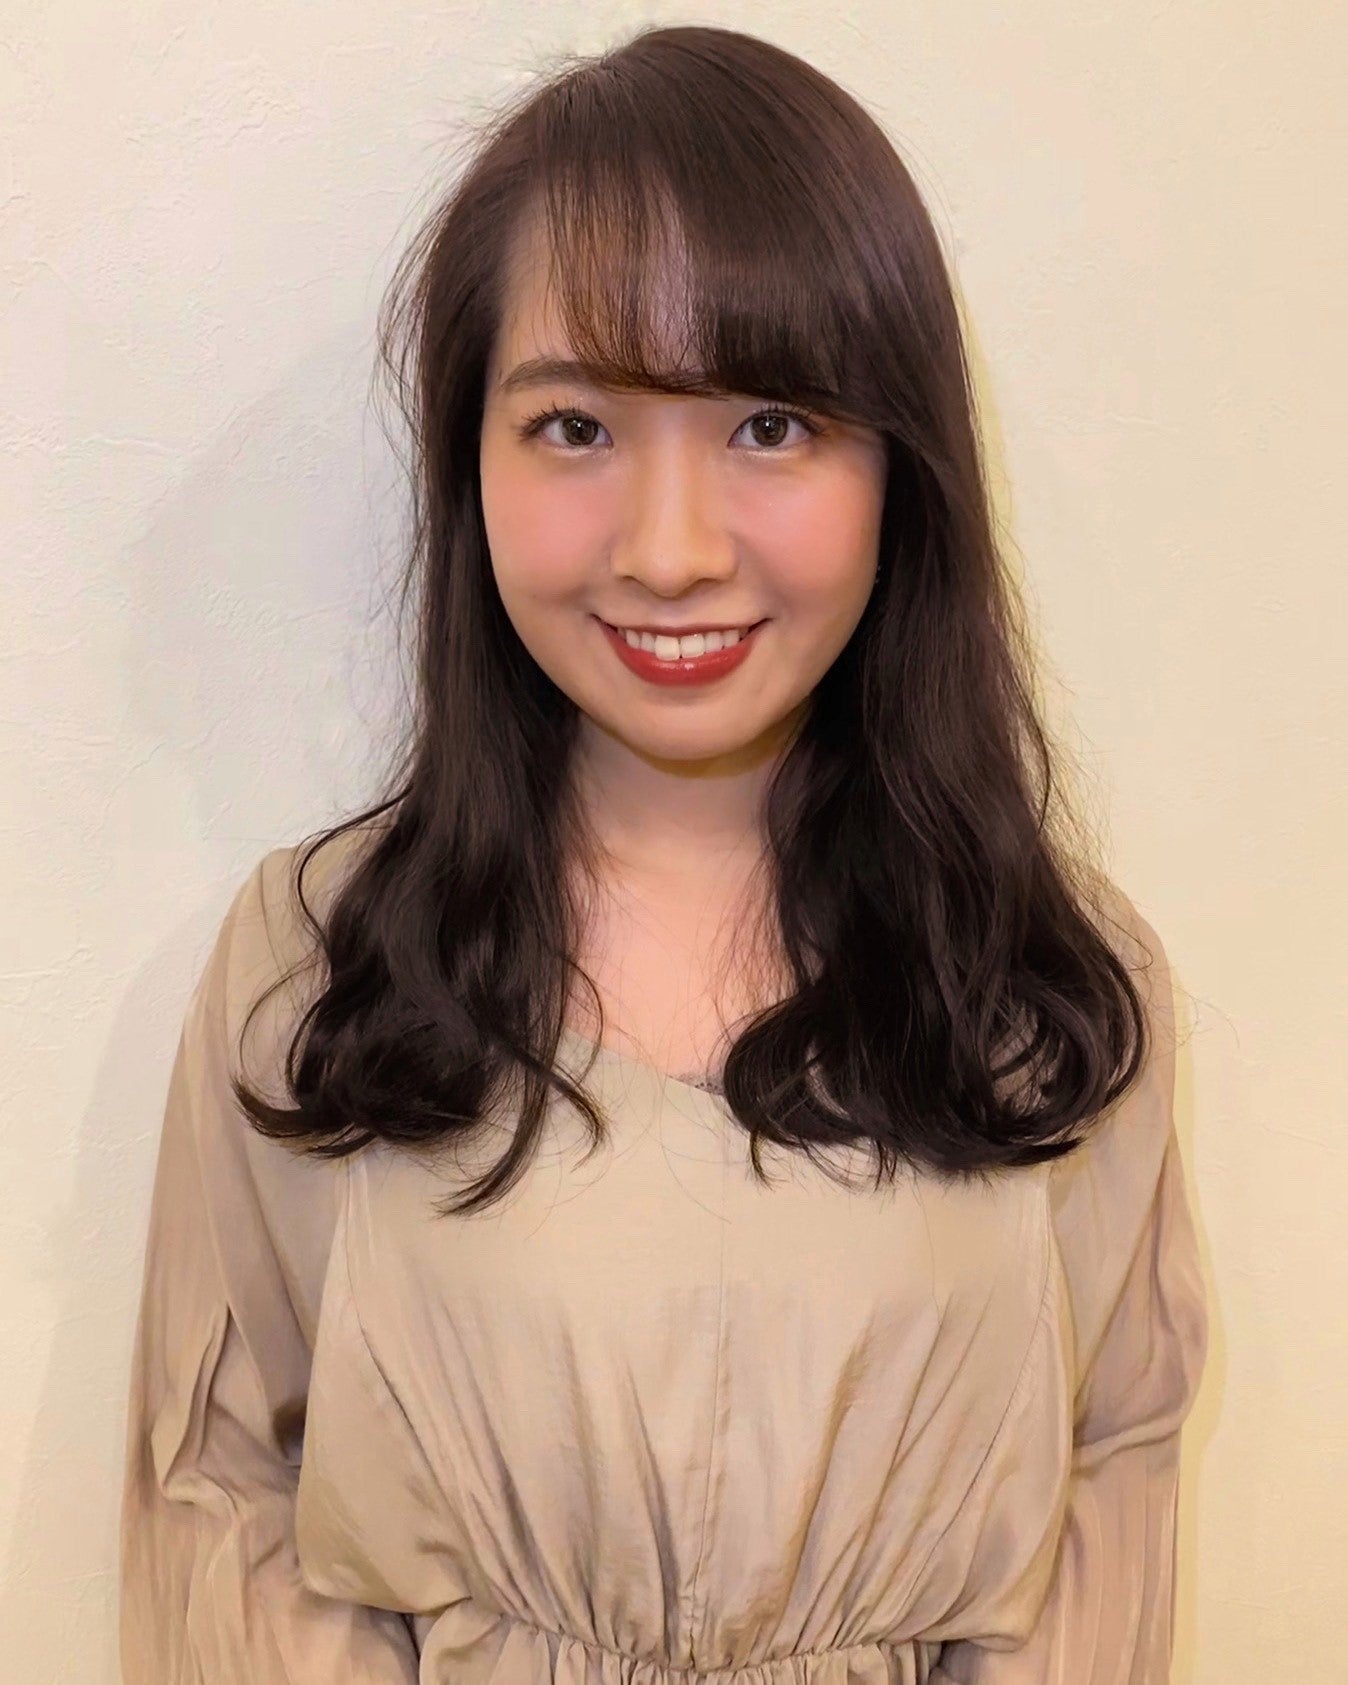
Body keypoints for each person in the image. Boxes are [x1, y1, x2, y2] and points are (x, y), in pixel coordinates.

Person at [119, 23, 1208, 1684]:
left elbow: (1105, 1508)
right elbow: (223, 1505)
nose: (673, 549)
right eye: (576, 427)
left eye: (771, 423)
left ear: (899, 468)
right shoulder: (318, 964)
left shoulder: (1053, 992)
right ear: (471, 460)